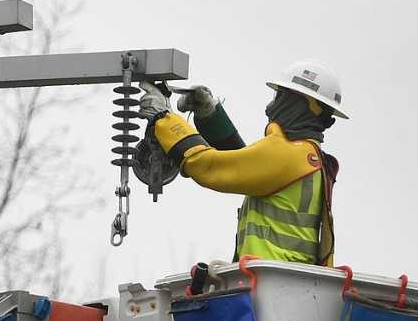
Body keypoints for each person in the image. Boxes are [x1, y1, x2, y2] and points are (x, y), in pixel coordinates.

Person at [143, 61, 349, 265]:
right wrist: (210, 116)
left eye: (280, 95)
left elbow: (209, 167)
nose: (271, 106)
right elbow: (241, 163)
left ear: (294, 103)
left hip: (271, 279)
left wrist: (164, 118)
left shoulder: (289, 154)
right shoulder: (306, 154)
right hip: (282, 279)